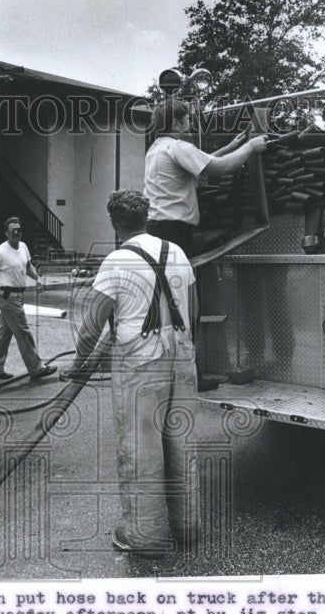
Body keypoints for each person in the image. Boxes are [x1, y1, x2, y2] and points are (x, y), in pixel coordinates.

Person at [70, 190, 199, 558]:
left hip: (140, 365)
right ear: (148, 218)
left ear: (115, 223)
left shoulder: (116, 260)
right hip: (183, 357)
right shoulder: (177, 252)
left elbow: (93, 324)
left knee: (141, 450)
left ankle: (145, 538)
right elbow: (193, 309)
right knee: (181, 444)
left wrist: (78, 364)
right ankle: (186, 526)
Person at [143, 98, 268, 391]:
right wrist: (250, 147)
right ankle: (191, 377)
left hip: (159, 230)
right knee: (187, 306)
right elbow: (220, 169)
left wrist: (233, 145)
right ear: (175, 123)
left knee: (171, 306)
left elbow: (203, 161)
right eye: (186, 118)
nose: (190, 122)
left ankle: (174, 372)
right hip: (175, 233)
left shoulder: (157, 149)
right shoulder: (178, 147)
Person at [0, 217, 57, 380]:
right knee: (23, 332)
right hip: (8, 297)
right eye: (13, 230)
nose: (16, 233)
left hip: (18, 296)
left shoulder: (23, 247)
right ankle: (36, 368)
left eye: (19, 230)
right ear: (6, 233)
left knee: (3, 334)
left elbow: (27, 266)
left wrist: (38, 278)